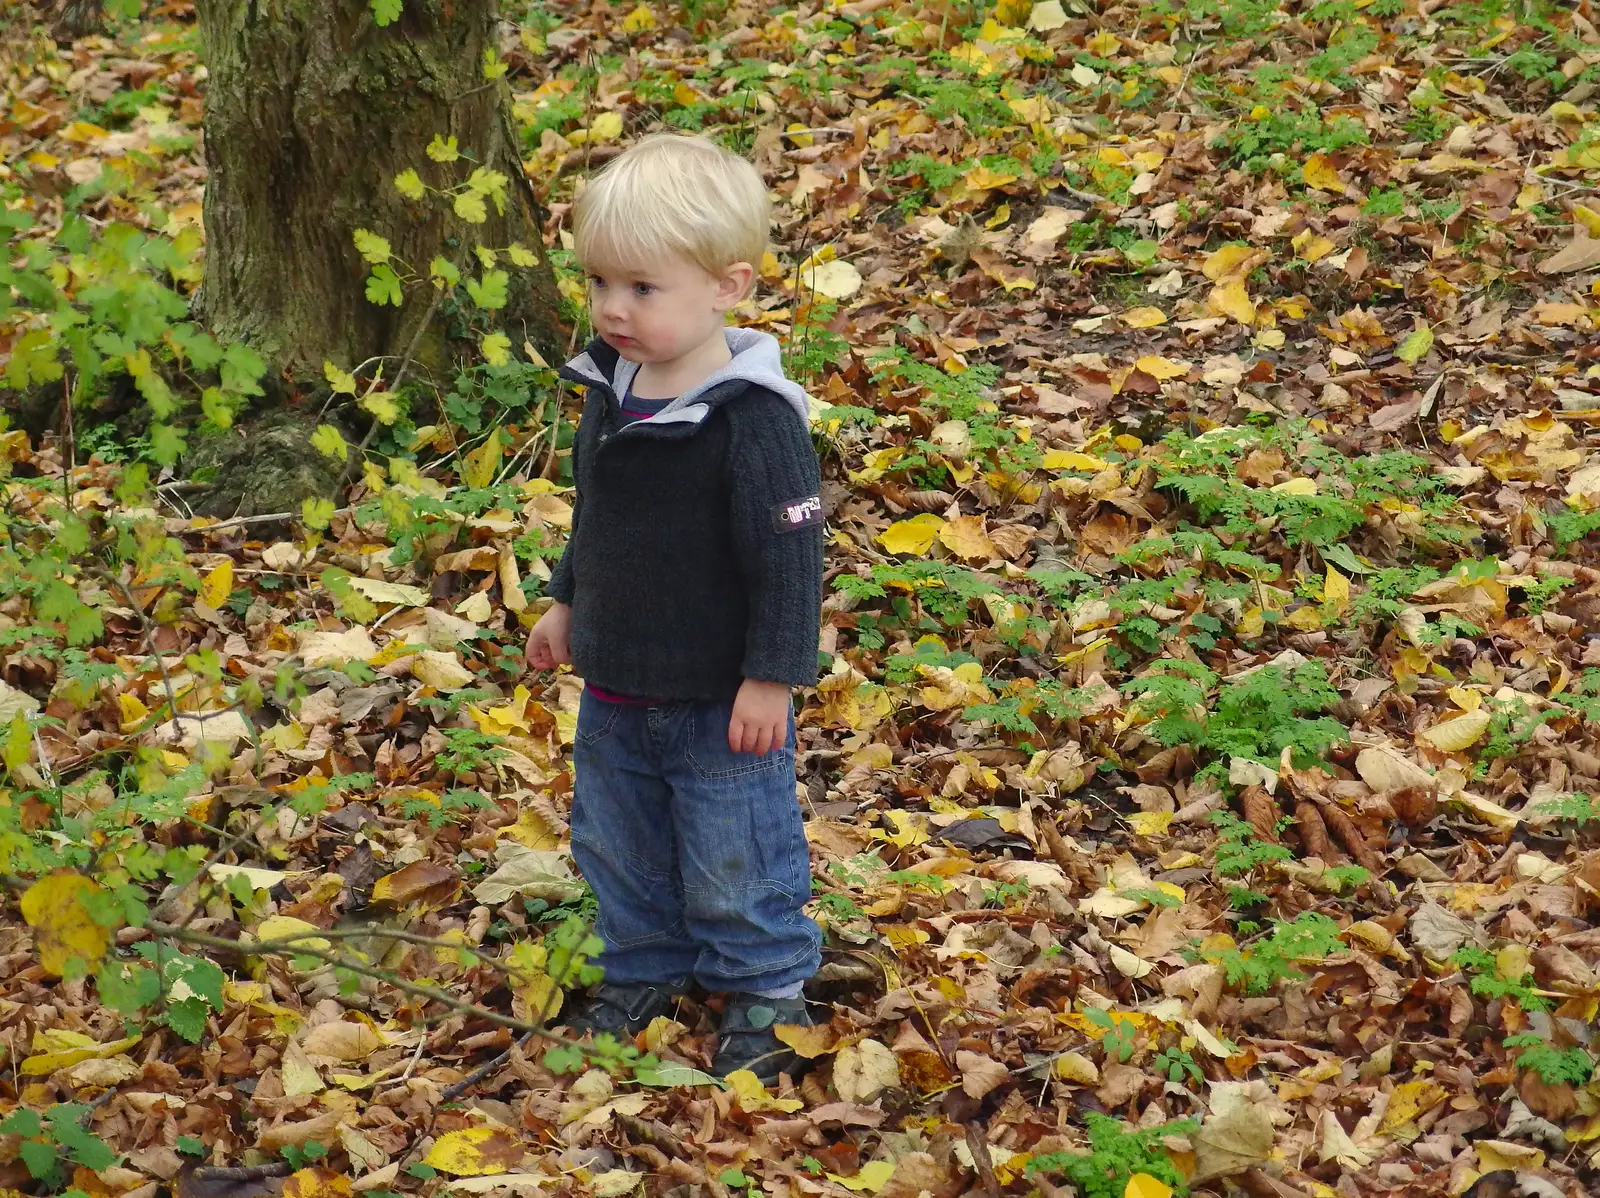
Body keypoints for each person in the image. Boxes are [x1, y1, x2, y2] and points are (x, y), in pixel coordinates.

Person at [523, 133, 825, 1084]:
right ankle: (643, 964)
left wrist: (773, 677)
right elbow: (600, 512)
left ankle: (767, 983)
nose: (614, 308)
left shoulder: (753, 419)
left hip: (716, 695)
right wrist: (568, 601)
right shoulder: (612, 389)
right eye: (601, 281)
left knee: (736, 849)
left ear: (727, 287)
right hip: (615, 678)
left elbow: (789, 560)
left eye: (644, 289)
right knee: (618, 839)